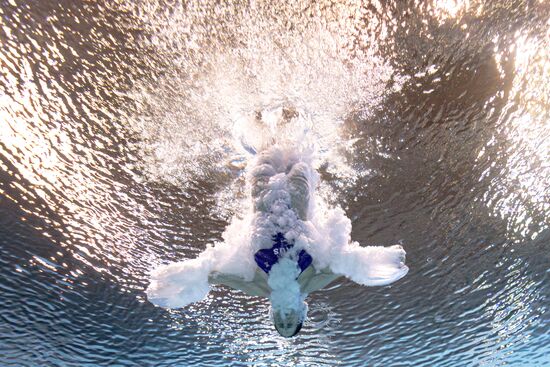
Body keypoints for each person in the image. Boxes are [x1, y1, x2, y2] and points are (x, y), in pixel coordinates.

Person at [146, 145, 409, 337]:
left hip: (262, 209)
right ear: (301, 314)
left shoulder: (258, 287)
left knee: (263, 163)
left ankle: (261, 134)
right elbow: (347, 265)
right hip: (295, 212)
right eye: (289, 323)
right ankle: (301, 132)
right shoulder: (311, 282)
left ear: (272, 316)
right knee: (298, 167)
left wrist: (184, 280)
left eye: (279, 324)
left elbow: (214, 276)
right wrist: (380, 263)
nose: (284, 318)